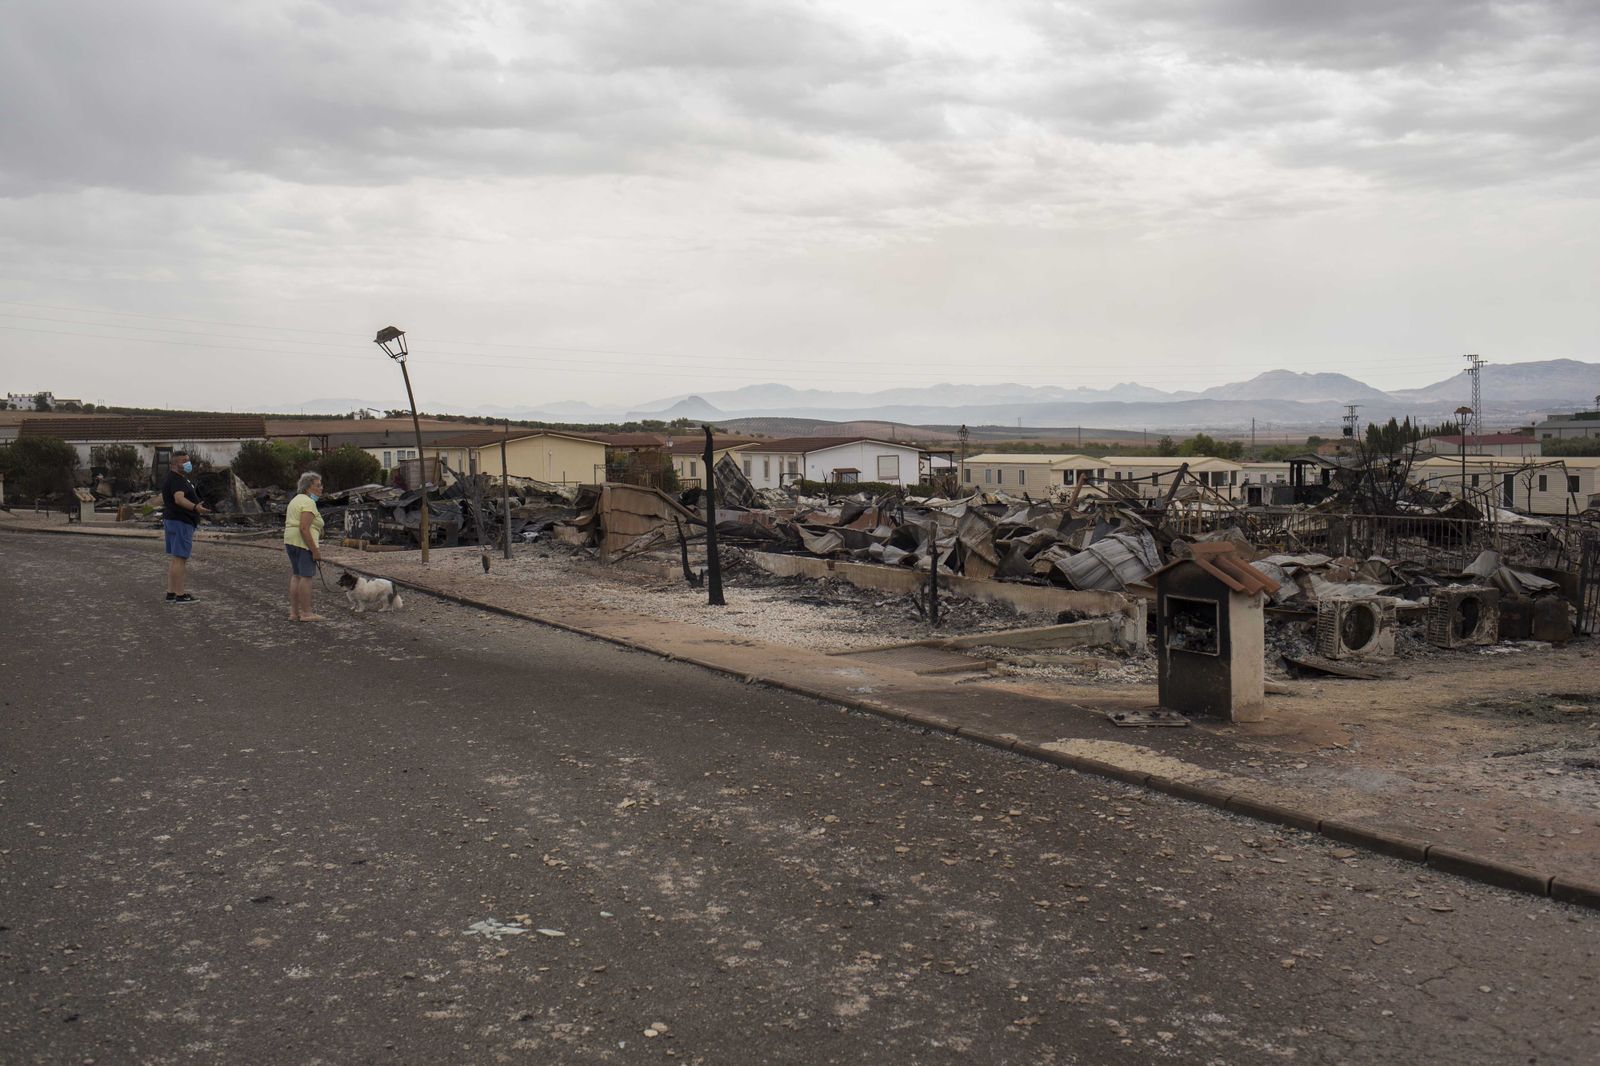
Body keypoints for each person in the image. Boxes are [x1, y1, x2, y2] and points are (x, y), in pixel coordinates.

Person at [161, 450, 209, 603]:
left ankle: (171, 593)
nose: (187, 463)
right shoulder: (176, 480)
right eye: (183, 460)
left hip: (174, 520)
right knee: (181, 558)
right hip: (181, 521)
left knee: (176, 559)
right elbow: (179, 499)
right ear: (175, 464)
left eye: (188, 460)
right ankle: (180, 595)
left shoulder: (177, 478)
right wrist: (195, 508)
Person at [284, 471, 325, 622]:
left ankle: (294, 613)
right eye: (318, 486)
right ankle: (307, 613)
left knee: (296, 575)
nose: (321, 488)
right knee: (306, 577)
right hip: (302, 543)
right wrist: (315, 550)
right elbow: (304, 528)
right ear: (308, 487)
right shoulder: (308, 502)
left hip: (290, 540)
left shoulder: (295, 500)